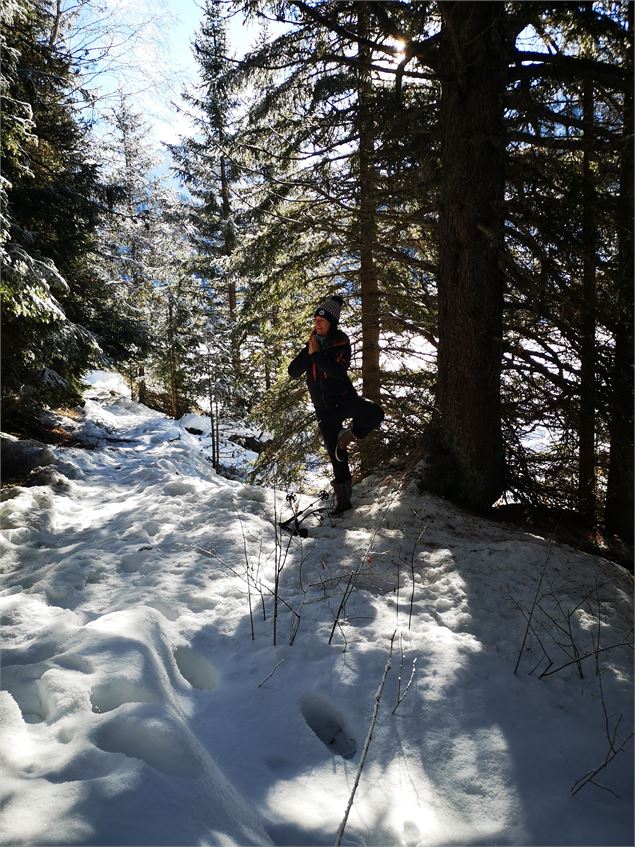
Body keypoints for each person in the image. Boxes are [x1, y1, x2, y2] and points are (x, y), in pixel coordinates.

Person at [288, 294, 384, 514]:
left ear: (331, 322)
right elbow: (293, 372)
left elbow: (337, 372)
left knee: (374, 414)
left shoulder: (341, 341)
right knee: (337, 457)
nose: (317, 323)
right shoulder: (311, 344)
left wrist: (316, 356)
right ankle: (344, 502)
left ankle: (349, 436)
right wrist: (309, 353)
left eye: (321, 320)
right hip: (324, 409)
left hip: (345, 398)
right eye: (315, 320)